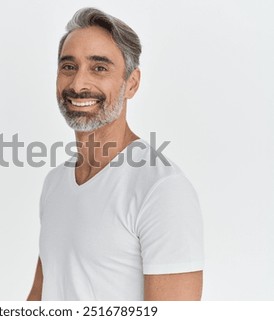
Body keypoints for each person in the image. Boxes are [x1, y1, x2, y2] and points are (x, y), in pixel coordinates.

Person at [27, 7, 204, 301]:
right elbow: (39, 296)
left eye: (99, 68)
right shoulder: (55, 183)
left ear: (131, 83)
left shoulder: (161, 189)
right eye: (68, 66)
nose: (78, 84)